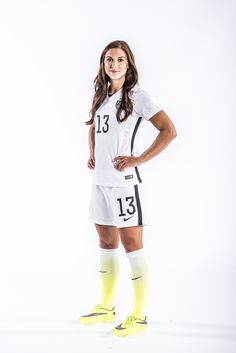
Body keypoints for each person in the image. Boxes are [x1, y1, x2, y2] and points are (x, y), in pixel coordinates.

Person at [78, 40, 177, 336]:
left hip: (124, 184)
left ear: (129, 64)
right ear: (103, 64)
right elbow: (94, 127)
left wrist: (138, 159)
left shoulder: (137, 96)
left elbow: (169, 130)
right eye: (109, 59)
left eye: (120, 60)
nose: (114, 64)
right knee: (106, 244)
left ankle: (140, 315)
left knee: (132, 245)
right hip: (100, 184)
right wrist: (93, 152)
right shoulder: (101, 97)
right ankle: (107, 307)